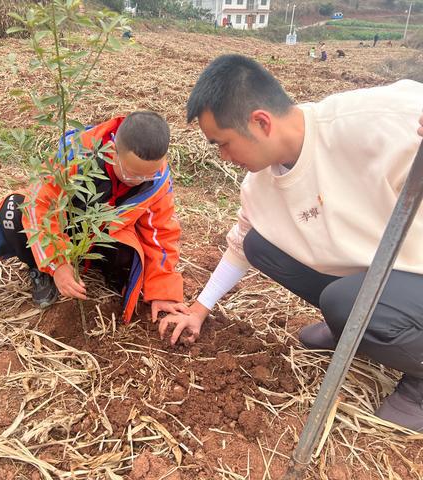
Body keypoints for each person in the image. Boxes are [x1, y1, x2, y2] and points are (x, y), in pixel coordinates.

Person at [159, 54, 423, 431]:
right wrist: (199, 309)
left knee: (343, 301)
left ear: (261, 122)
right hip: (382, 276)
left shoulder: (372, 123)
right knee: (259, 245)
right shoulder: (260, 184)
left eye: (224, 143)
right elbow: (239, 246)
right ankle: (353, 325)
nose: (223, 157)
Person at [0, 111, 189, 324]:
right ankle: (40, 269)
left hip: (104, 236)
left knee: (132, 249)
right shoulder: (77, 154)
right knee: (15, 209)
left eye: (148, 175)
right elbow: (39, 205)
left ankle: (112, 275)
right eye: (132, 173)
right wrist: (57, 263)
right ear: (112, 151)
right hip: (66, 229)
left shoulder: (157, 178)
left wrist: (163, 292)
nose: (139, 180)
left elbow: (160, 233)